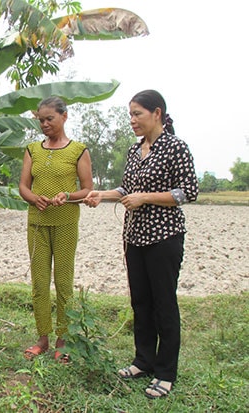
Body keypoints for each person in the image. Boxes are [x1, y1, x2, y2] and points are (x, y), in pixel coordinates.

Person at [84, 90, 198, 399]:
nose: (132, 120)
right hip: (134, 237)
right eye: (130, 115)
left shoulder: (175, 147)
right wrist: (102, 194)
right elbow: (127, 189)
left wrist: (145, 198)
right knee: (141, 302)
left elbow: (188, 192)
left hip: (164, 238)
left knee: (164, 304)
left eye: (137, 114)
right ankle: (143, 361)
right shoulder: (136, 151)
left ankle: (165, 373)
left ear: (157, 113)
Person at [19, 96, 93, 363]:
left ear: (64, 116)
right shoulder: (32, 150)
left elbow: (87, 189)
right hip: (37, 223)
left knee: (63, 282)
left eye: (50, 118)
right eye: (41, 120)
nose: (45, 124)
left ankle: (63, 339)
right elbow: (23, 187)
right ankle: (42, 338)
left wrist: (68, 195)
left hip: (65, 223)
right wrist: (33, 198)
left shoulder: (78, 151)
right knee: (39, 283)